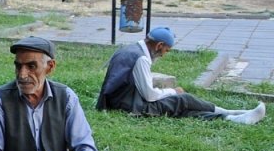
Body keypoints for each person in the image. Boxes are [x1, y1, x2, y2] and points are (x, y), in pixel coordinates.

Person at [96, 27, 265, 123]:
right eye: (166, 50)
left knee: (181, 111)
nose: (164, 54)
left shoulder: (130, 49)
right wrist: (172, 92)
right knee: (183, 100)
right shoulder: (141, 58)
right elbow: (149, 95)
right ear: (159, 45)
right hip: (131, 106)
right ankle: (231, 112)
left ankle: (232, 118)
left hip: (120, 101)